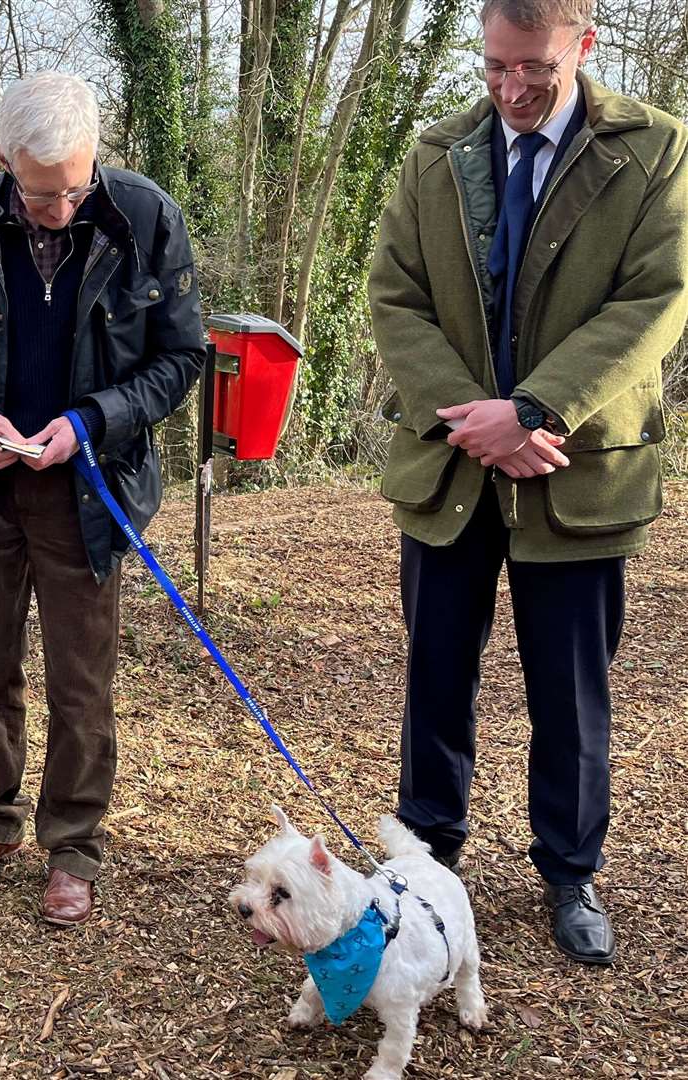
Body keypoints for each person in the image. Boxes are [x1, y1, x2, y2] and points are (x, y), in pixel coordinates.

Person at [370, 0, 687, 965]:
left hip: (578, 471)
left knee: (570, 689)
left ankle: (569, 869)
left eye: (533, 70)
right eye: (494, 67)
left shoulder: (653, 152)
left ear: (583, 46)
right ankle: (425, 856)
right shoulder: (435, 153)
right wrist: (477, 416)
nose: (510, 90)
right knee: (434, 676)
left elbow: (656, 299)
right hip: (451, 466)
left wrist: (538, 409)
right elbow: (394, 294)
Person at [0, 71, 206, 926]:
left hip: (90, 489)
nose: (61, 208)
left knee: (82, 682)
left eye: (76, 186)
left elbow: (180, 358)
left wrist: (93, 420)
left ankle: (72, 846)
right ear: (3, 164)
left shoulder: (146, 218)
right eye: (41, 194)